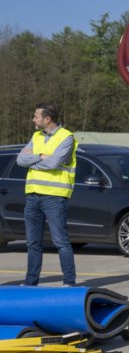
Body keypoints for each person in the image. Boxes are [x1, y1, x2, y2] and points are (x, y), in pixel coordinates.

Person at [16, 103, 78, 286]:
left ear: (47, 119)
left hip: (55, 197)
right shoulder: (36, 136)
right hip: (33, 196)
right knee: (32, 243)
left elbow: (54, 163)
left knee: (61, 242)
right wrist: (40, 156)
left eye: (36, 116)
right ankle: (30, 282)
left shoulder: (66, 137)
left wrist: (34, 159)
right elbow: (20, 160)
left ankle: (69, 282)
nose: (33, 119)